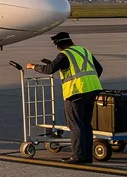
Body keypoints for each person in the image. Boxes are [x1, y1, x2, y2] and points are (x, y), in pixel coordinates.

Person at [24, 31, 104, 164]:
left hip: (76, 93)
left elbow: (49, 69)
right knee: (86, 124)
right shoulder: (84, 51)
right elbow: (99, 69)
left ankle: (78, 156)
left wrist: (33, 66)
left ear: (59, 45)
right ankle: (87, 156)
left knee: (75, 125)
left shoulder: (64, 55)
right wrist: (89, 82)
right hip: (93, 90)